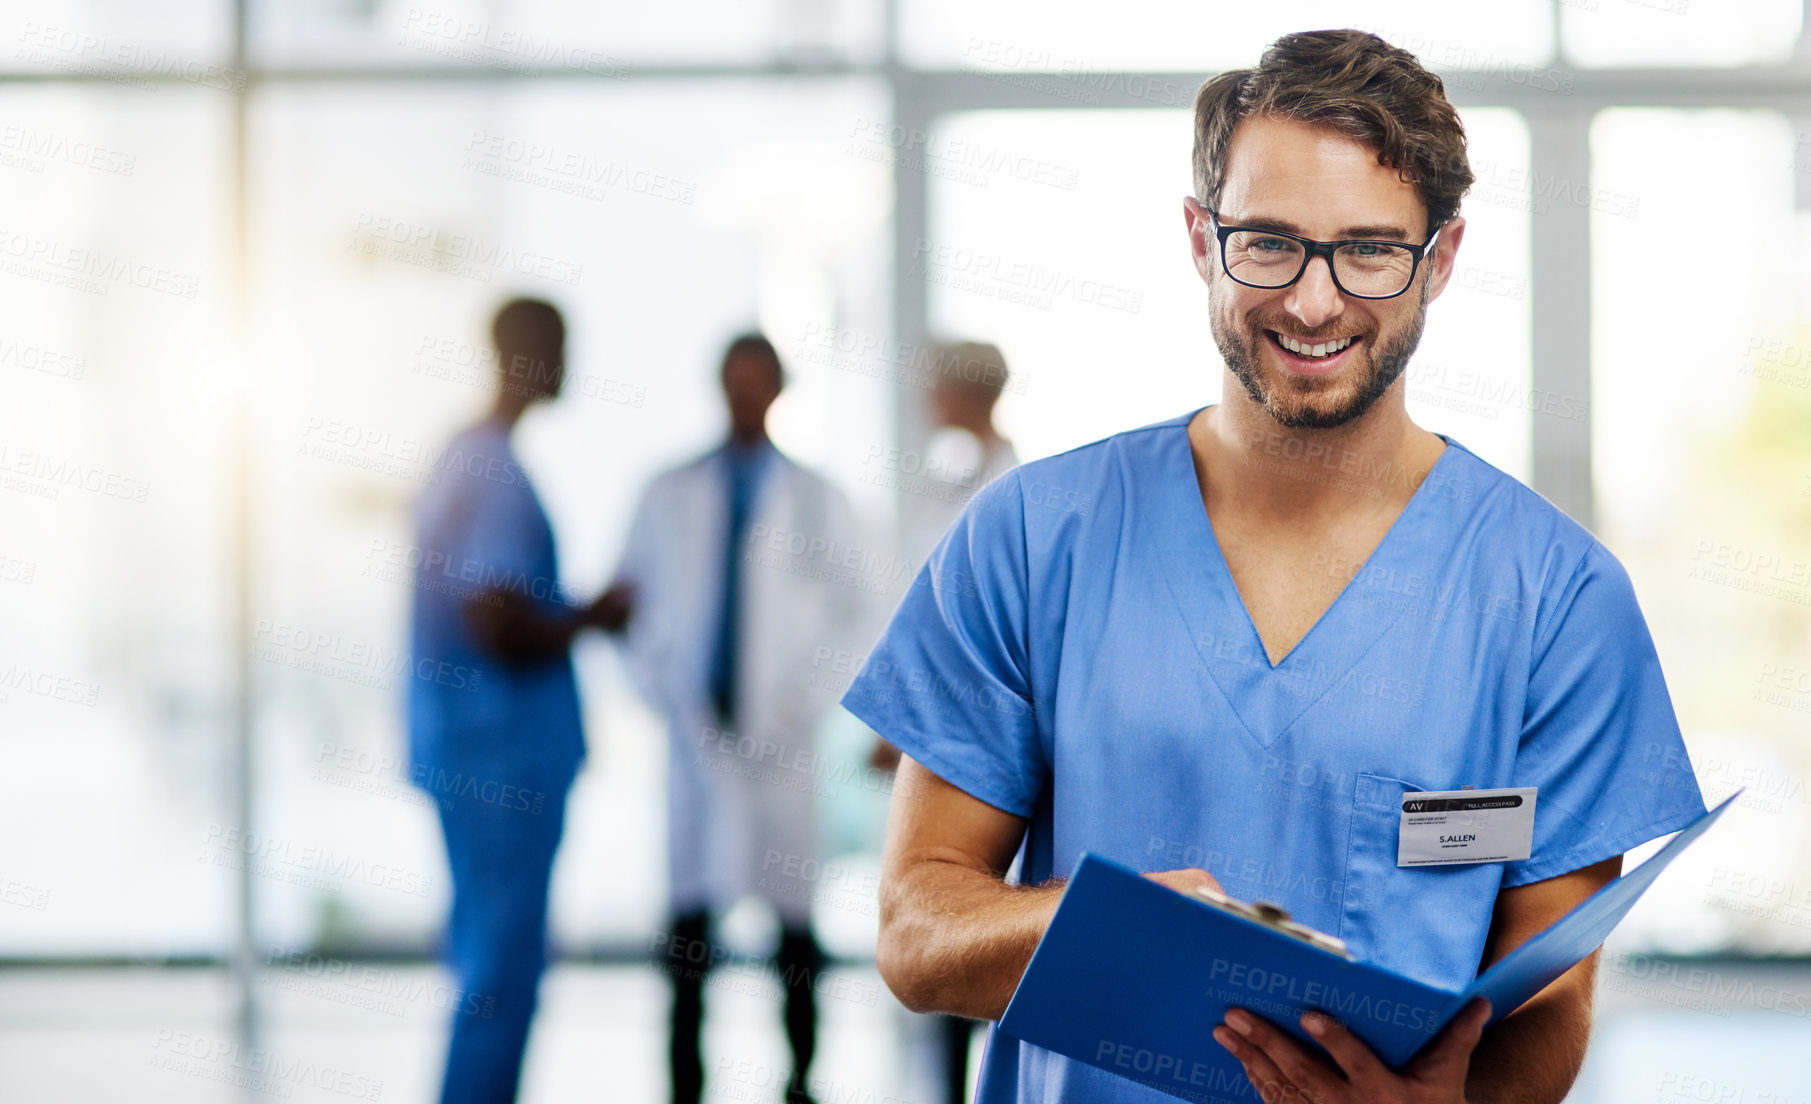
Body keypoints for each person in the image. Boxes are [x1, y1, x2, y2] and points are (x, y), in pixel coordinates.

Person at [843, 30, 1705, 1104]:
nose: (1311, 301)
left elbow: (1547, 1001)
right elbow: (914, 932)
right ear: (1200, 238)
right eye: (1268, 242)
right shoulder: (1030, 538)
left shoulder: (1555, 601)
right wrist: (1111, 927)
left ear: (1438, 258)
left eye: (1368, 250)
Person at [611, 334, 866, 1104]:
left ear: (779, 389)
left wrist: (794, 705)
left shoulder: (818, 498)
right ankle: (684, 1084)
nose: (745, 395)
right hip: (697, 740)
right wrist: (669, 700)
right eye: (733, 381)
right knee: (689, 927)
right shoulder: (667, 492)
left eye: (759, 381)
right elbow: (628, 606)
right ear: (716, 387)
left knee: (794, 928)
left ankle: (800, 1079)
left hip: (784, 747)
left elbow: (855, 619)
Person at [408, 297, 630, 1104]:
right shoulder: (492, 469)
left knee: (487, 960)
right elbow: (495, 622)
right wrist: (593, 615)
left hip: (479, 754)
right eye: (562, 346)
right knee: (501, 969)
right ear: (528, 352)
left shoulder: (468, 458)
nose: (570, 362)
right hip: (499, 761)